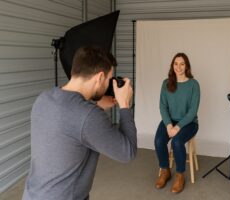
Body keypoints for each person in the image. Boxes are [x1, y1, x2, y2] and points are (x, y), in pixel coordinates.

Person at [22, 46, 137, 200]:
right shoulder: (89, 116)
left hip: (32, 194)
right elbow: (127, 152)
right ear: (99, 78)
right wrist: (124, 105)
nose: (109, 85)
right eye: (109, 80)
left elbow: (70, 120)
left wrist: (94, 104)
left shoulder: (44, 98)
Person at [154, 53, 200, 193]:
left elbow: (192, 111)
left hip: (189, 123)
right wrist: (168, 125)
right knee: (159, 140)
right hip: (170, 121)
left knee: (177, 142)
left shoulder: (193, 84)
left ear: (186, 66)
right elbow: (162, 106)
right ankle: (165, 170)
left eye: (182, 64)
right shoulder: (166, 83)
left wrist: (178, 127)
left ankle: (180, 175)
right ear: (172, 65)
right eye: (175, 63)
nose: (178, 67)